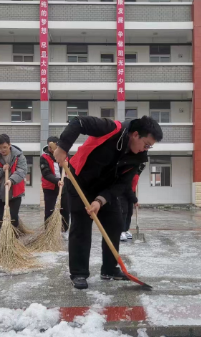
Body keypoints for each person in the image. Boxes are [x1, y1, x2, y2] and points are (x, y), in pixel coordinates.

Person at [53, 115, 163, 289]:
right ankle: (79, 273)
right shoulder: (112, 129)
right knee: (82, 226)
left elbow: (121, 184)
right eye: (146, 144)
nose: (146, 149)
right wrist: (63, 147)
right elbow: (78, 122)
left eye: (149, 146)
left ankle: (109, 269)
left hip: (104, 188)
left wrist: (100, 201)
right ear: (135, 135)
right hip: (79, 179)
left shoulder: (138, 157)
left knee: (115, 223)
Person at [0, 134, 28, 241]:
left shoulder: (19, 156)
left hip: (15, 191)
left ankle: (14, 241)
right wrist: (1, 170)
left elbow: (22, 171)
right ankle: (3, 241)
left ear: (9, 145)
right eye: (0, 148)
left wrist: (11, 180)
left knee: (13, 217)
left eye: (4, 147)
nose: (2, 150)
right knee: (1, 218)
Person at [40, 136, 70, 239]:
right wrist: (56, 181)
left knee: (65, 209)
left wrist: (67, 165)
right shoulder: (44, 157)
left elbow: (71, 169)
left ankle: (64, 231)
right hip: (50, 187)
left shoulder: (65, 155)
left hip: (63, 185)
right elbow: (46, 173)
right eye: (50, 146)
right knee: (50, 210)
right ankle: (48, 232)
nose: (51, 149)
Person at [119, 163, 145, 241]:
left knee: (130, 212)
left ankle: (126, 230)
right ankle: (121, 231)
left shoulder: (137, 171)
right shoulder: (128, 172)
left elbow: (133, 185)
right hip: (123, 194)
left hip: (130, 193)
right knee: (124, 212)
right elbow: (127, 188)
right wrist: (135, 200)